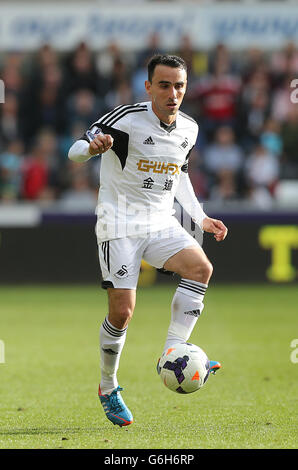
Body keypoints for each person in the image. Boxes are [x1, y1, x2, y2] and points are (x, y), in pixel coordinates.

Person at [68, 54, 228, 427]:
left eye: (180, 86)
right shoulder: (123, 120)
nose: (173, 93)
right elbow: (74, 149)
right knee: (122, 312)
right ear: (148, 86)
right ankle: (108, 387)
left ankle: (174, 349)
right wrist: (91, 149)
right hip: (119, 223)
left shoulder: (189, 128)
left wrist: (200, 217)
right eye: (164, 85)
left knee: (201, 268)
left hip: (160, 221)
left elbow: (181, 175)